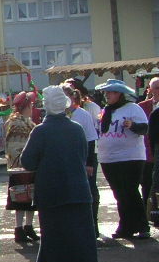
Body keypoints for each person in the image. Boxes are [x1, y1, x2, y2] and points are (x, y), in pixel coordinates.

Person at [19, 86, 98, 262]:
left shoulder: (41, 131)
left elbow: (27, 161)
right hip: (78, 190)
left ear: (46, 106)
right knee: (81, 237)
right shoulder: (77, 128)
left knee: (53, 238)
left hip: (52, 192)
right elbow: (83, 156)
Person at [96, 78, 150, 239]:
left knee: (130, 191)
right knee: (119, 193)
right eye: (106, 93)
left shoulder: (133, 108)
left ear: (119, 94)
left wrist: (132, 125)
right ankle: (127, 225)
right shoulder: (105, 110)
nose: (107, 95)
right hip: (109, 159)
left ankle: (141, 225)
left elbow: (144, 129)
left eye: (110, 92)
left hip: (130, 157)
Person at [64, 84, 101, 239]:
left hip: (85, 159)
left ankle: (93, 226)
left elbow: (91, 139)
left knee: (90, 192)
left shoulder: (82, 114)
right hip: (69, 161)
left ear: (72, 97)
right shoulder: (61, 116)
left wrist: (90, 163)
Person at [3, 91, 39, 244]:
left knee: (30, 197)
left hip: (29, 164)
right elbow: (15, 146)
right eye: (31, 104)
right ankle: (19, 228)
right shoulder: (17, 123)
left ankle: (28, 226)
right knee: (20, 197)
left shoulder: (27, 121)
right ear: (26, 106)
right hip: (21, 165)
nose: (32, 106)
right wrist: (22, 160)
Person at [137, 76, 159, 205]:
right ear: (150, 90)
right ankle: (147, 216)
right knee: (146, 187)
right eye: (156, 88)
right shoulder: (141, 107)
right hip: (146, 155)